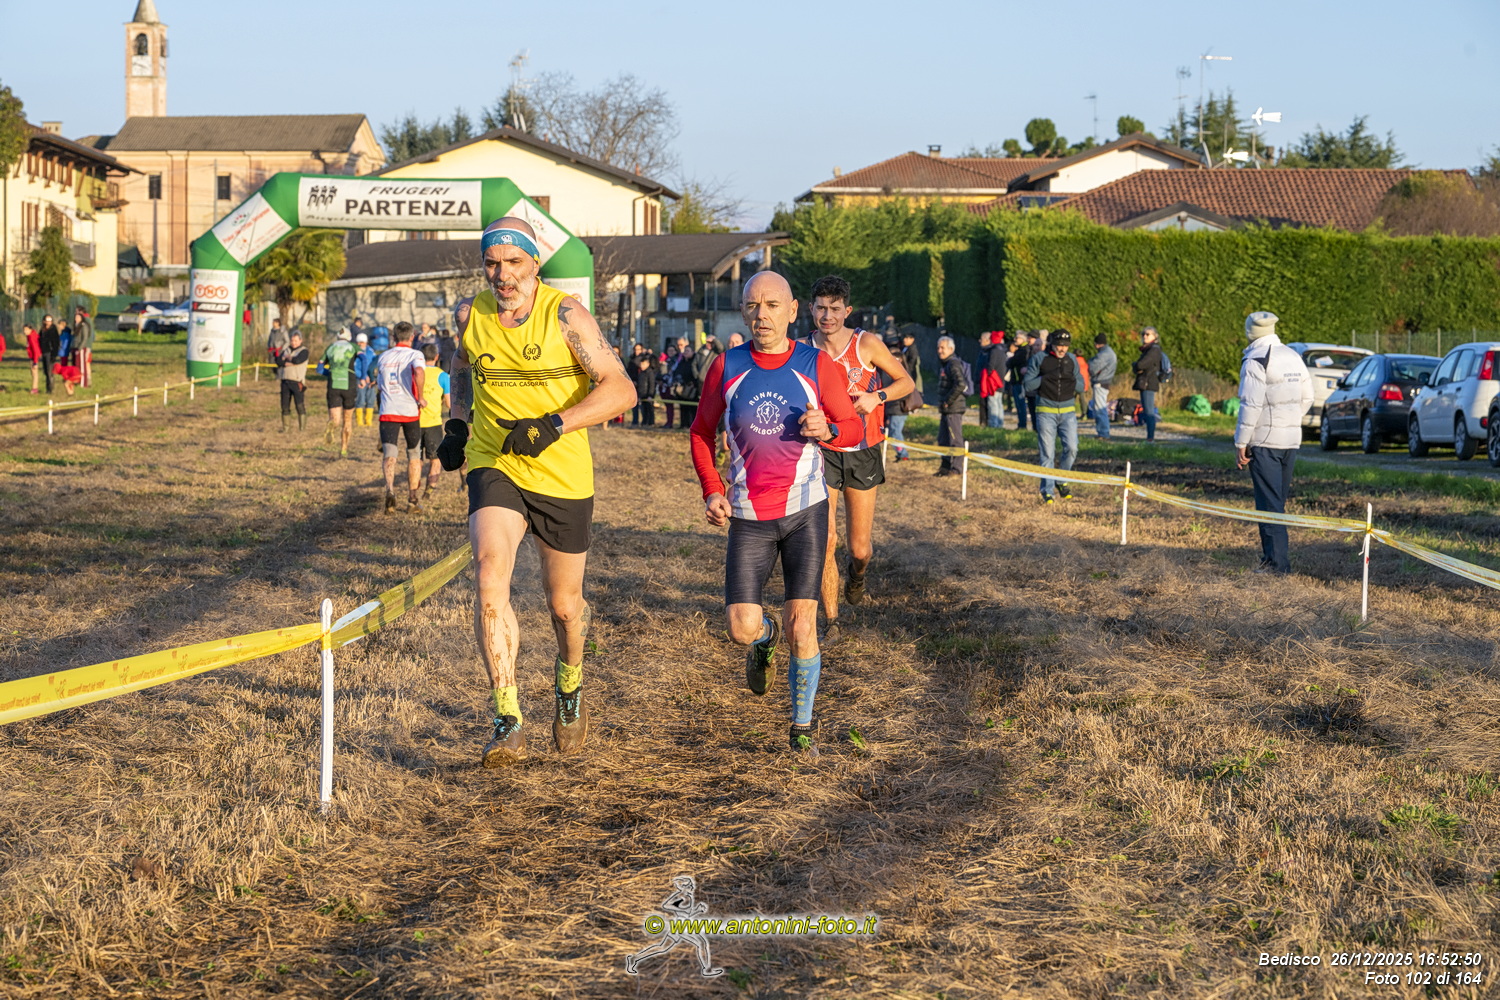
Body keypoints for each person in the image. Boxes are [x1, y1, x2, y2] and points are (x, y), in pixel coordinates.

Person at [435, 217, 635, 766]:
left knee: (565, 607)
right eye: (492, 263)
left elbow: (622, 390)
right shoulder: (473, 315)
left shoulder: (565, 315)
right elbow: (461, 363)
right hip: (495, 461)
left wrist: (554, 425)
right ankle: (508, 719)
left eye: (513, 262)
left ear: (535, 264)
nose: (502, 275)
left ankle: (570, 686)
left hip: (561, 472)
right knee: (489, 574)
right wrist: (458, 423)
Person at [688, 271, 862, 756]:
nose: (761, 315)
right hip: (748, 514)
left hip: (805, 510)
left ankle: (801, 729)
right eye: (752, 305)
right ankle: (764, 640)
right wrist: (712, 490)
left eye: (771, 305)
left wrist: (828, 430)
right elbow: (700, 432)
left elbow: (852, 427)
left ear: (791, 311)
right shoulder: (727, 366)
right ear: (744, 311)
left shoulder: (815, 364)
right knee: (741, 628)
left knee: (801, 626)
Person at [801, 275, 913, 645]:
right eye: (821, 308)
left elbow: (906, 383)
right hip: (823, 453)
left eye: (834, 309)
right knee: (825, 540)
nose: (827, 316)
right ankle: (831, 622)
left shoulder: (866, 343)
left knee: (859, 549)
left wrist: (876, 397)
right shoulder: (803, 349)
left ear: (846, 310)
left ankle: (858, 573)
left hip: (863, 451)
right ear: (811, 309)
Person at [1234, 312, 1313, 574]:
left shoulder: (1255, 359)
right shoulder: (1292, 355)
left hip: (1265, 442)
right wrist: (1288, 421)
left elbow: (1250, 405)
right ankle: (1273, 558)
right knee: (1277, 501)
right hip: (1290, 441)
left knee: (1269, 505)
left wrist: (1241, 442)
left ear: (1250, 332)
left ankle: (1276, 565)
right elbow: (1307, 397)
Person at [1025, 329, 1085, 503]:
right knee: (1047, 453)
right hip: (1045, 412)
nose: (1062, 349)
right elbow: (1028, 385)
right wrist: (1046, 378)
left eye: (1066, 346)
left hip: (1068, 412)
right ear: (1051, 344)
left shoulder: (1071, 359)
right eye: (1059, 345)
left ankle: (1061, 479)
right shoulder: (1039, 358)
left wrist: (1071, 380)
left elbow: (1082, 386)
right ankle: (1047, 490)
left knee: (1072, 448)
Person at [376, 322, 428, 513]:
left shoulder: (383, 356)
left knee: (390, 455)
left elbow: (380, 386)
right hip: (409, 411)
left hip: (388, 411)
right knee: (414, 455)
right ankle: (412, 500)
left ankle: (390, 491)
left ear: (394, 337)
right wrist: (420, 396)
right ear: (412, 336)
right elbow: (419, 371)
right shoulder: (415, 354)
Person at [417, 342, 450, 497]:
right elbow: (449, 404)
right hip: (433, 423)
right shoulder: (443, 376)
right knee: (435, 460)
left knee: (416, 460)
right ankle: (428, 491)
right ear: (437, 357)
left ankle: (414, 490)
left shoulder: (415, 372)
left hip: (415, 422)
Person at [321, 327, 359, 457]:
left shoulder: (330, 348)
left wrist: (330, 373)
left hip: (333, 385)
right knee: (347, 420)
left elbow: (319, 368)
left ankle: (332, 425)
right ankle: (344, 449)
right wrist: (363, 375)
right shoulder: (353, 346)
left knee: (335, 419)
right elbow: (364, 359)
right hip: (349, 384)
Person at [887, 328, 922, 462]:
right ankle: (901, 453)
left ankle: (903, 453)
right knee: (894, 431)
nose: (905, 340)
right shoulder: (905, 350)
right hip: (895, 407)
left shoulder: (912, 352)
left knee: (895, 431)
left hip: (900, 407)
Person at [935, 336, 967, 477]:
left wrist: (948, 400)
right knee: (943, 439)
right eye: (938, 347)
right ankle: (945, 467)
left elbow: (961, 384)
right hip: (946, 409)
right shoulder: (945, 364)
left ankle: (957, 468)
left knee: (955, 439)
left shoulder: (953, 364)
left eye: (942, 348)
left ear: (951, 349)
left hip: (953, 408)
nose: (939, 350)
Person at [1132, 326, 1165, 442]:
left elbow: (1141, 365)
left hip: (1148, 383)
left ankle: (1150, 438)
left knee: (1149, 412)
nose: (1145, 336)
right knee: (1147, 410)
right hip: (1145, 382)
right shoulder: (1147, 349)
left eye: (1148, 334)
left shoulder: (1154, 350)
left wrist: (1136, 365)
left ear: (1155, 337)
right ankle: (1149, 437)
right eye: (1143, 334)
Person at [278, 331, 310, 432]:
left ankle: (302, 429)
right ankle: (286, 428)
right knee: (285, 406)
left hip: (297, 382)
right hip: (285, 381)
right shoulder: (286, 350)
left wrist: (288, 358)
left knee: (299, 405)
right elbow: (278, 361)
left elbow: (298, 360)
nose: (293, 343)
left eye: (296, 341)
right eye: (292, 340)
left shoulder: (304, 351)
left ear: (300, 341)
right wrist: (286, 362)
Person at [1087, 333, 1117, 439]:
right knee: (1100, 408)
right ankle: (1103, 432)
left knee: (1100, 409)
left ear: (1097, 344)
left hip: (1101, 383)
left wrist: (1088, 364)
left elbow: (1092, 368)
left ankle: (1103, 433)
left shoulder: (1104, 354)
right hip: (1104, 383)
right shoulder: (1108, 352)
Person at [980, 332, 1007, 428]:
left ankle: (994, 424)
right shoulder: (1003, 350)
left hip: (993, 381)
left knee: (992, 402)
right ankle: (1000, 423)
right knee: (999, 403)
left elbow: (991, 366)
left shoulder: (994, 351)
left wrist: (987, 373)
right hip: (1001, 380)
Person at [1005, 331, 1031, 431]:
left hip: (1019, 380)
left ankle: (1022, 425)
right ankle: (1021, 424)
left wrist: (1011, 360)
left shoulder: (1023, 350)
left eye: (1017, 338)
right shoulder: (1020, 350)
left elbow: (1012, 362)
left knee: (1021, 404)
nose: (1015, 340)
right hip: (1016, 379)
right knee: (1018, 404)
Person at [352, 332, 377, 426]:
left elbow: (374, 363)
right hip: (360, 379)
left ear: (366, 342)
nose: (360, 344)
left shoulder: (371, 351)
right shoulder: (355, 352)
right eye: (359, 342)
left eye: (362, 342)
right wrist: (363, 376)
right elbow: (355, 367)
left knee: (371, 399)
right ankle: (359, 421)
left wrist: (371, 376)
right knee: (360, 399)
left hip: (370, 379)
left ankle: (368, 421)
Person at [631, 352, 658, 426]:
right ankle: (644, 422)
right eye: (641, 364)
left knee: (650, 409)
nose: (642, 366)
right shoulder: (641, 373)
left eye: (643, 364)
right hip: (642, 394)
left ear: (648, 364)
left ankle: (651, 422)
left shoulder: (650, 373)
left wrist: (650, 395)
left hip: (648, 395)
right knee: (643, 410)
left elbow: (652, 385)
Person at [72, 307, 95, 388]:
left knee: (85, 363)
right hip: (81, 345)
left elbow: (88, 335)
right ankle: (79, 379)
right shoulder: (77, 323)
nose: (76, 314)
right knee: (82, 363)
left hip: (84, 346)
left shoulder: (86, 322)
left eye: (77, 312)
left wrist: (85, 346)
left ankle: (86, 380)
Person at [38, 315, 59, 394]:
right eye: (47, 320)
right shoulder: (42, 330)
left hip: (50, 352)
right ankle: (48, 387)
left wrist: (54, 354)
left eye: (50, 321)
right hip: (44, 351)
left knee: (49, 371)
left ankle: (50, 389)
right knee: (46, 371)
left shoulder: (53, 330)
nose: (48, 322)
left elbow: (56, 343)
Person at [24, 324, 41, 394]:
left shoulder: (32, 337)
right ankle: (34, 388)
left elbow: (35, 350)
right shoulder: (29, 336)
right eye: (24, 330)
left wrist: (35, 362)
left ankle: (35, 389)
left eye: (26, 330)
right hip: (32, 356)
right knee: (33, 373)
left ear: (30, 329)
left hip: (34, 357)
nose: (25, 331)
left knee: (34, 373)